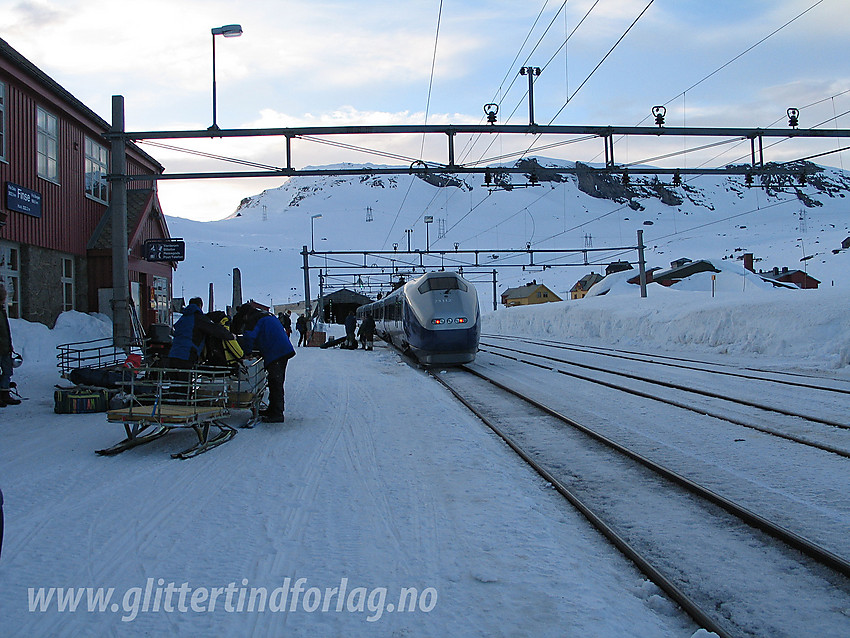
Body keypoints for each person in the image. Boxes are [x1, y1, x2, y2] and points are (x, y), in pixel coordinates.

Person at [232, 304, 295, 423]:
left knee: (275, 381)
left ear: (245, 315)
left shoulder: (253, 319)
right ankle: (273, 409)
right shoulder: (263, 315)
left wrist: (246, 353)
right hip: (281, 349)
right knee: (273, 381)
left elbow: (249, 337)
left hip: (277, 351)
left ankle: (277, 413)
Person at [166, 297, 234, 369]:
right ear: (200, 306)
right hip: (187, 355)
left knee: (173, 379)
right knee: (184, 378)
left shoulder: (182, 319)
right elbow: (215, 330)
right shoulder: (198, 318)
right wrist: (231, 336)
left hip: (173, 354)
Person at [0, 284, 20, 407]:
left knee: (7, 371)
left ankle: (4, 393)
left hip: (5, 348)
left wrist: (9, 345)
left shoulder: (2, 311)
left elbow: (5, 331)